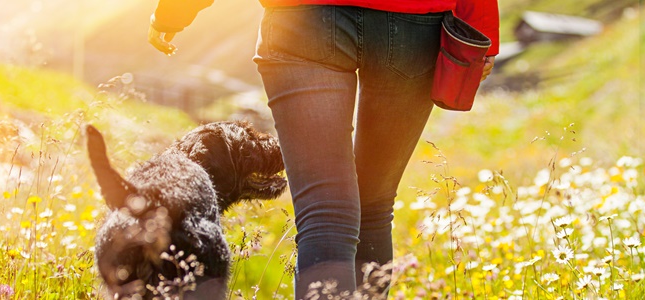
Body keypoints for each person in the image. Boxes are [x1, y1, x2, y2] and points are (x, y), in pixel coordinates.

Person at [147, 0, 499, 297]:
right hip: (412, 22)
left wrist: (172, 15)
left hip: (302, 21)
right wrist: (483, 30)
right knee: (374, 205)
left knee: (324, 212)